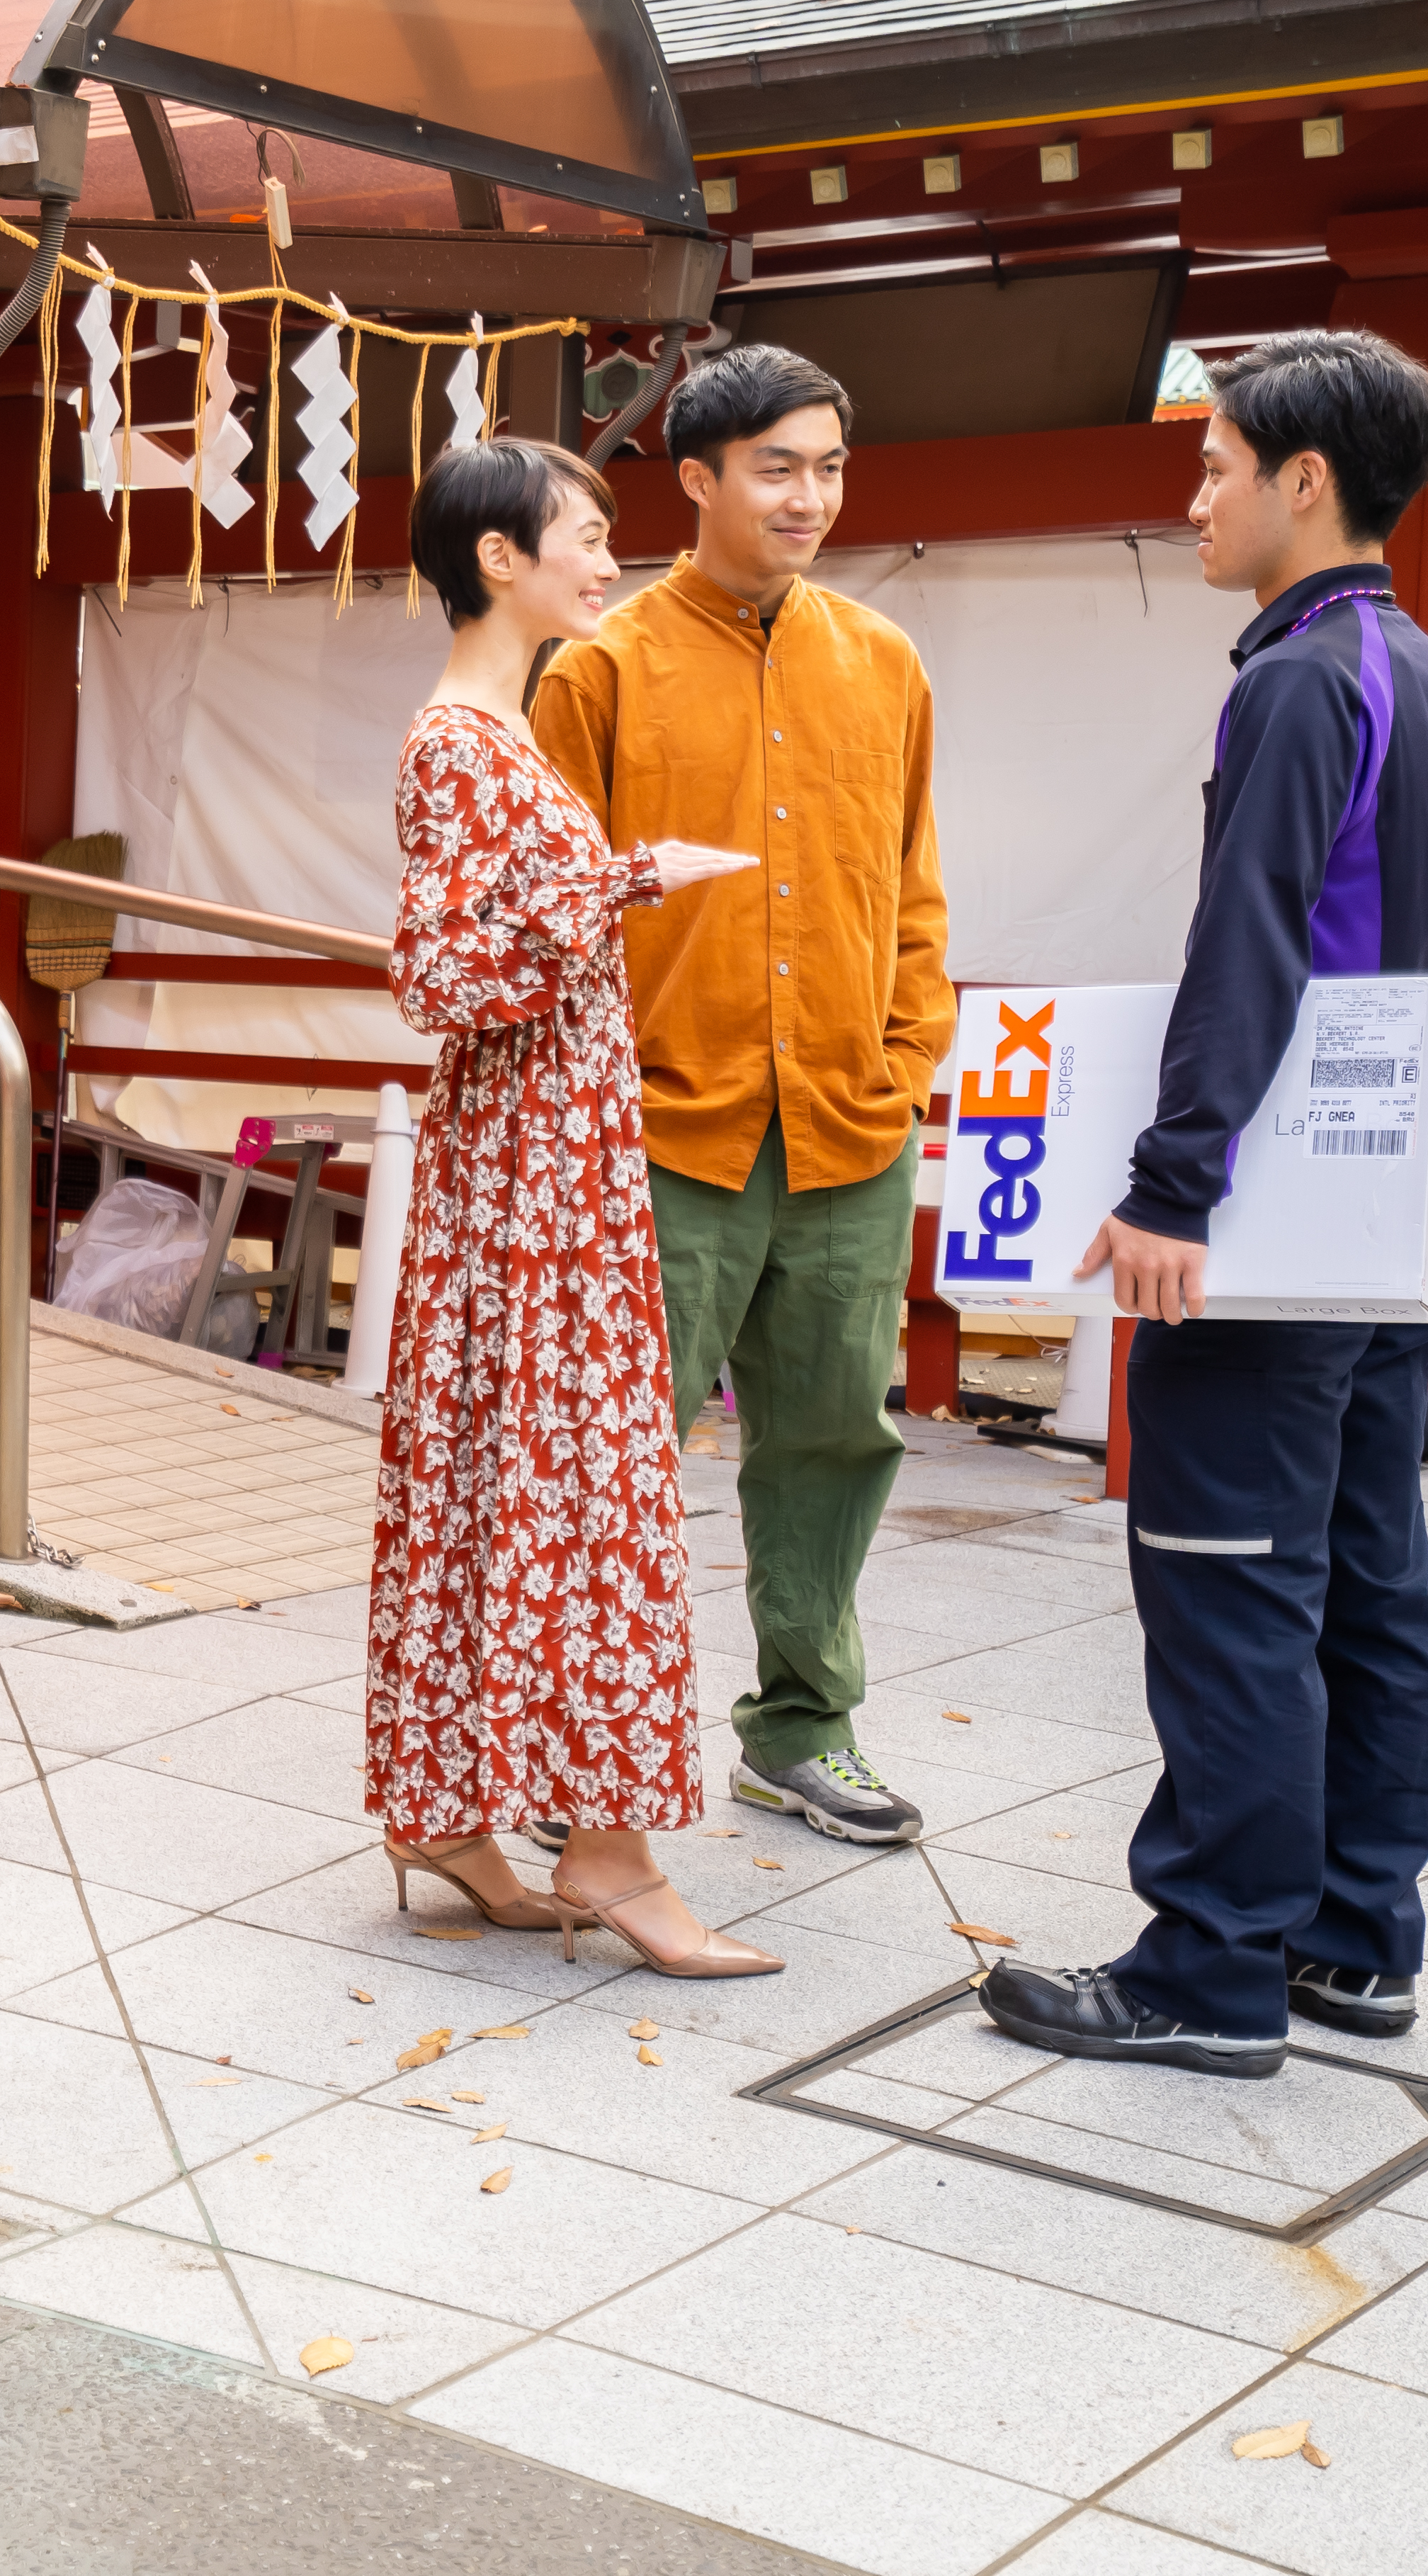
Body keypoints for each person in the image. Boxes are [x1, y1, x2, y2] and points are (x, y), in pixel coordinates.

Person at [984, 330, 1428, 2077]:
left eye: (1217, 462)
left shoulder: (1300, 679)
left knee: (1229, 1576)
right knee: (1368, 1578)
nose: (1198, 493)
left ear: (1305, 477)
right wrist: (1396, 1054)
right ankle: (1353, 1942)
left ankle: (1209, 1967)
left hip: (1271, 1243)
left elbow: (1244, 937)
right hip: (1386, 1237)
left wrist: (1181, 1185)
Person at [366, 439, 781, 1979]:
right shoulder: (463, 739)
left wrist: (604, 881)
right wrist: (614, 886)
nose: (609, 562)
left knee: (507, 1483)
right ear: (501, 558)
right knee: (586, 1486)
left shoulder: (500, 726)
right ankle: (606, 1847)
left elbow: (481, 945)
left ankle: (451, 1811)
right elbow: (442, 976)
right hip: (535, 1171)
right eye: (587, 538)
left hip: (542, 1162)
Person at [533, 346, 955, 1850]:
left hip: (849, 1120)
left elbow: (910, 885)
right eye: (778, 466)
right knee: (613, 1451)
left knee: (838, 1434)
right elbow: (552, 907)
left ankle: (801, 1727)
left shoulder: (885, 662)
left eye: (831, 466)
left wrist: (910, 1055)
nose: (812, 496)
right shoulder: (600, 666)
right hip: (664, 1130)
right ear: (695, 478)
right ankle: (575, 1756)